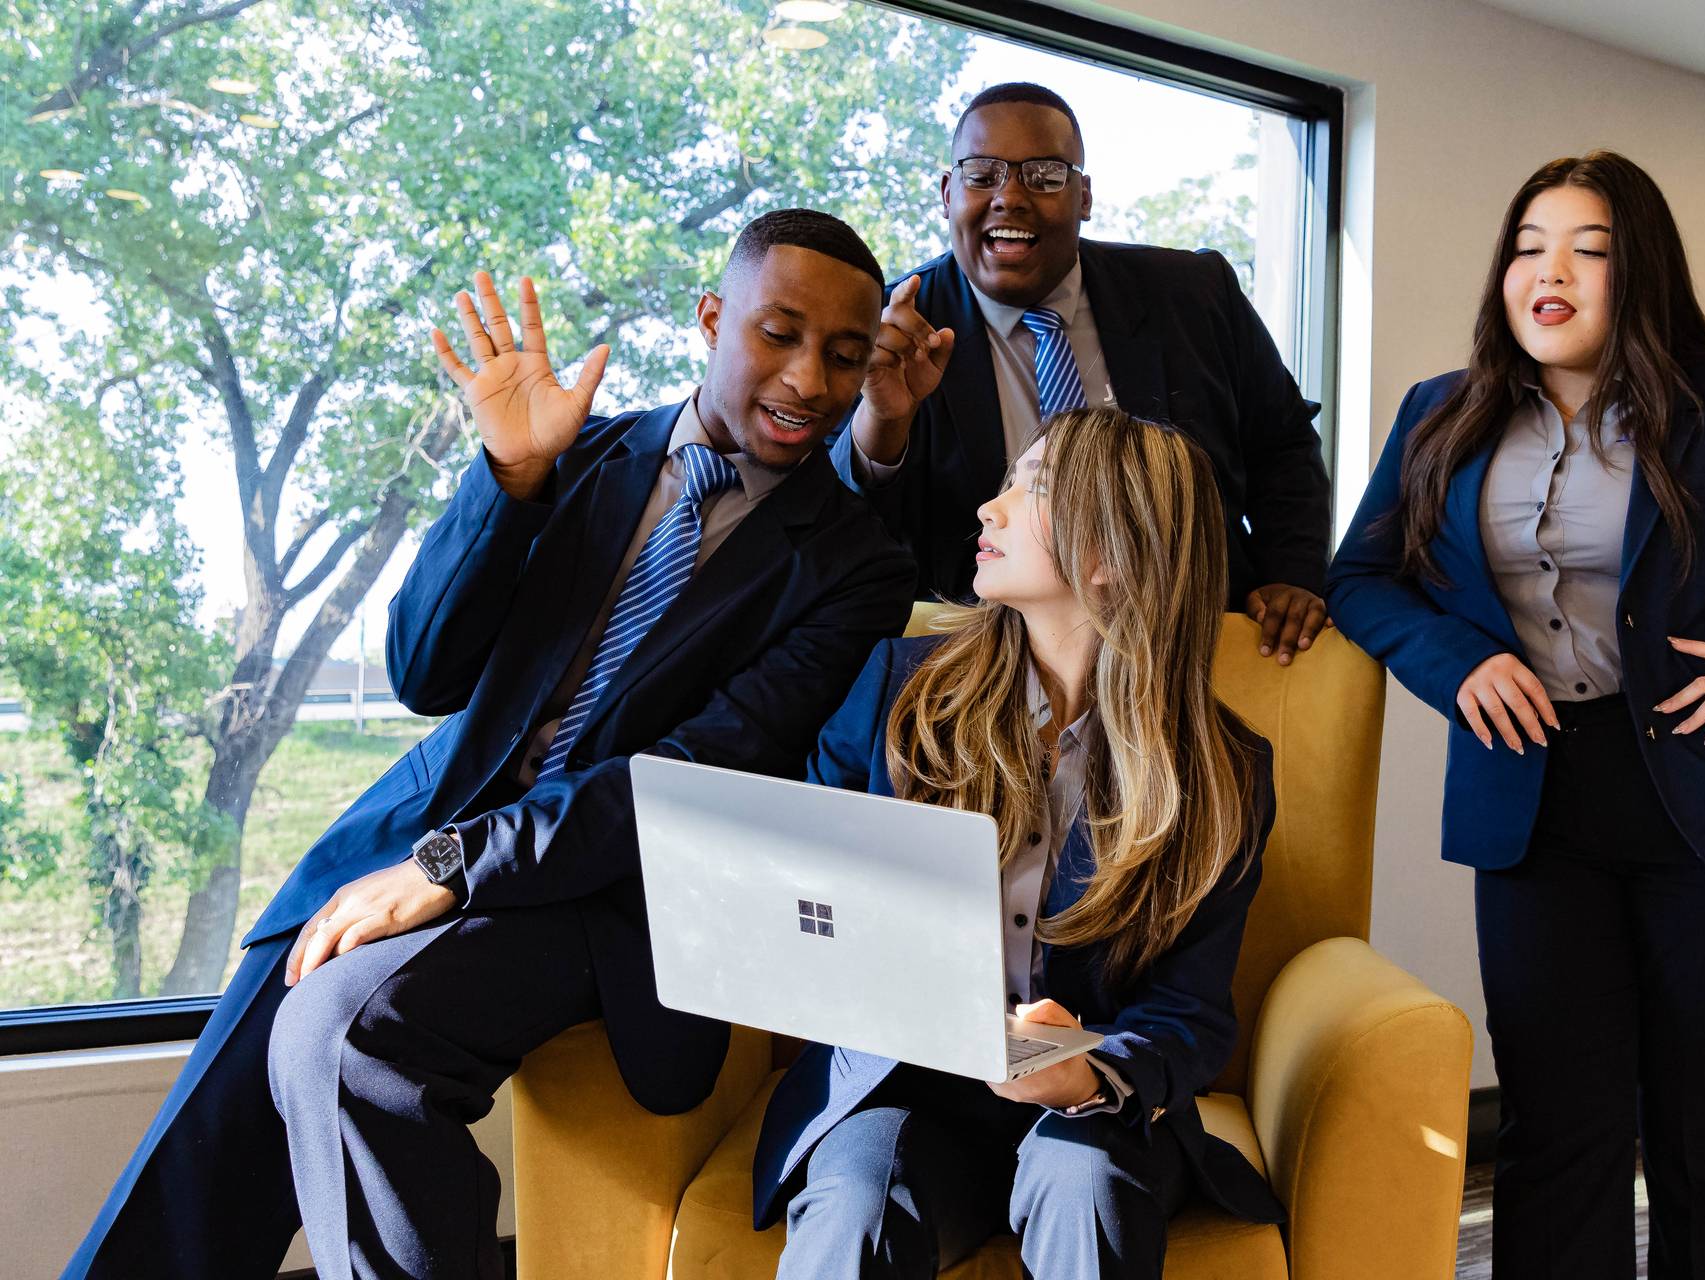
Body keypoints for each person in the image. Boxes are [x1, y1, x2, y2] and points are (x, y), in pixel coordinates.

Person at [64, 209, 917, 1280]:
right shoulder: (573, 454)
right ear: (712, 316)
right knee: (203, 1148)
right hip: (420, 825)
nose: (808, 381)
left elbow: (695, 777)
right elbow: (426, 671)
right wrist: (506, 481)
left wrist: (452, 868)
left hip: (611, 885)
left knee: (343, 1033)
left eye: (845, 356)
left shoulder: (855, 567)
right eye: (779, 334)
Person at [1324, 151, 1705, 1279]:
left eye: (1589, 249)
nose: (1550, 272)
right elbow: (1361, 577)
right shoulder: (1437, 414)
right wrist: (1454, 663)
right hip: (1536, 802)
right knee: (1556, 1131)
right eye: (1528, 245)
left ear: (1638, 271)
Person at [756, 406, 1286, 1280]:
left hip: (1096, 1115)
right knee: (853, 1206)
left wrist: (1086, 1071)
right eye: (1005, 483)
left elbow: (1191, 1014)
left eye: (1030, 490)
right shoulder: (900, 691)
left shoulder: (1224, 773)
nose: (986, 510)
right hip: (903, 1090)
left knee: (1083, 1178)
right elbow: (806, 893)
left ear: (1114, 552)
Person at [836, 81, 1334, 665]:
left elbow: (1283, 446)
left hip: (1192, 648)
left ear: (1085, 196)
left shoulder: (1196, 294)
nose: (1010, 196)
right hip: (987, 662)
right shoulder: (889, 330)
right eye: (982, 174)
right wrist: (882, 419)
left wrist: (1292, 575)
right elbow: (850, 529)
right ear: (948, 193)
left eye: (1044, 175)